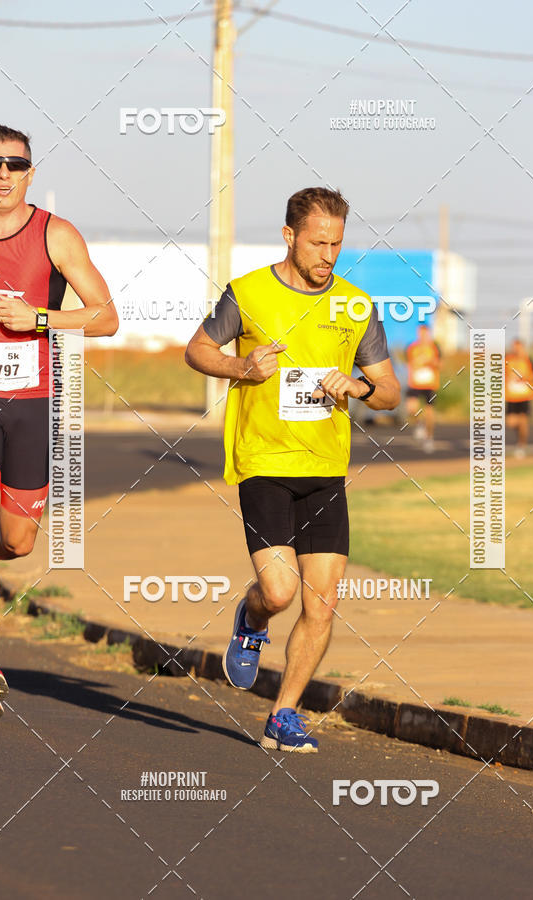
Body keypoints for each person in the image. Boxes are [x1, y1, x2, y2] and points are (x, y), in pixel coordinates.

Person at [186, 187, 400, 752]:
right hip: (264, 461)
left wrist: (359, 386)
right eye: (317, 243)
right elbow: (197, 350)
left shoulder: (355, 305)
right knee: (279, 592)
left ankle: (284, 714)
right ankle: (252, 618)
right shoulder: (249, 292)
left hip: (325, 469)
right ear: (289, 236)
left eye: (337, 244)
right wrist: (242, 366)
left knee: (322, 602)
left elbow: (390, 392)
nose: (328, 255)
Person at [0, 123, 118, 721]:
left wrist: (38, 318)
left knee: (16, 540)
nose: (3, 174)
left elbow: (105, 316)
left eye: (15, 164)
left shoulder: (54, 234)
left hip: (33, 403)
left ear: (30, 173)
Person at [405, 324, 440, 453]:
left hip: (429, 385)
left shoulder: (434, 348)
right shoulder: (412, 347)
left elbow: (440, 364)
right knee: (411, 408)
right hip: (415, 383)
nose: (423, 336)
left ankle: (429, 438)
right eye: (420, 333)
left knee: (429, 413)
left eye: (425, 333)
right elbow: (409, 363)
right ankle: (419, 424)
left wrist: (430, 361)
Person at [505, 338, 533, 458]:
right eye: (514, 347)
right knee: (511, 422)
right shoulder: (507, 359)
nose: (516, 350)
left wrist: (525, 378)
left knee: (523, 421)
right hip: (511, 396)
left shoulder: (528, 360)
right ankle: (520, 435)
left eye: (518, 347)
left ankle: (521, 445)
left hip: (525, 396)